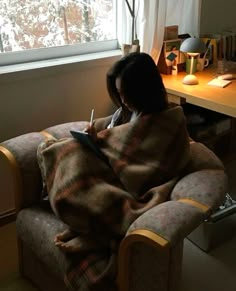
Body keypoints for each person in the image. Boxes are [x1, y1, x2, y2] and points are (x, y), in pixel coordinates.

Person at [52, 52, 190, 252]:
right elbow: (113, 137)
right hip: (111, 170)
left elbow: (145, 168)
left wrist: (103, 147)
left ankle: (93, 233)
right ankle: (83, 226)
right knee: (66, 148)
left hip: (130, 183)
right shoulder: (126, 111)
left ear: (144, 90)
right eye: (119, 93)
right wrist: (96, 138)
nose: (123, 100)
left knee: (73, 156)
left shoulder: (167, 121)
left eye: (127, 93)